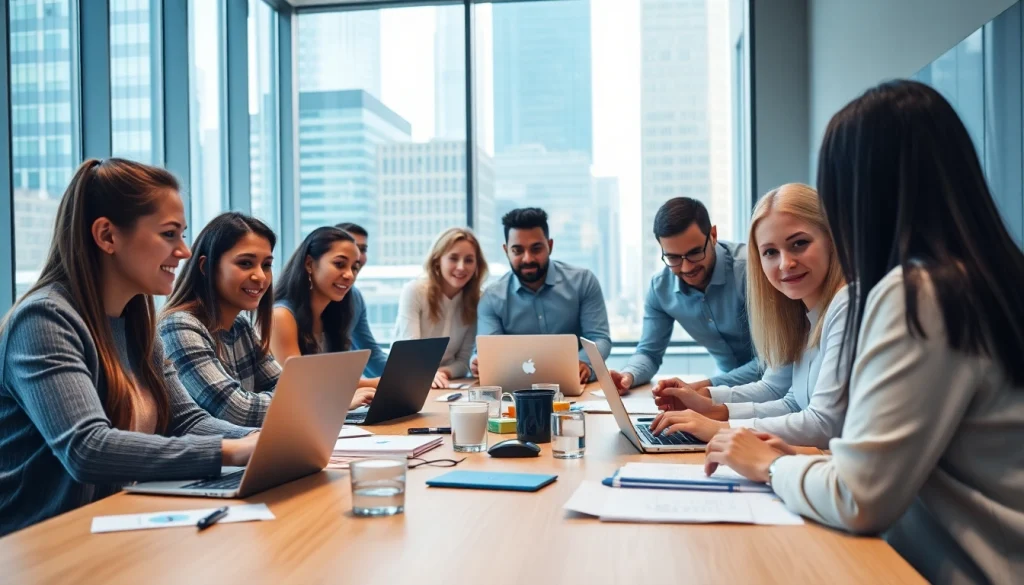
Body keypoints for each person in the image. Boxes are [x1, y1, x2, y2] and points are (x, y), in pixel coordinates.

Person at [704, 80, 1024, 585]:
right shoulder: (985, 276)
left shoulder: (920, 294)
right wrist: (804, 462)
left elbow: (860, 496)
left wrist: (769, 466)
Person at [0, 159, 257, 536]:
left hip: (108, 525)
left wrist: (262, 443)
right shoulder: (43, 320)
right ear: (107, 236)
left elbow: (186, 421)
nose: (184, 251)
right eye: (169, 234)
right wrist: (230, 451)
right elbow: (88, 449)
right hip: (40, 542)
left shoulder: (136, 320)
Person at [648, 184, 849, 449]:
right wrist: (712, 408)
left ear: (831, 240)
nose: (785, 263)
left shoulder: (845, 305)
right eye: (770, 252)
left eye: (799, 244)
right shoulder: (802, 312)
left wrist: (719, 428)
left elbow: (823, 424)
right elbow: (791, 402)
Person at [609, 197, 760, 396]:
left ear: (713, 235)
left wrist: (705, 386)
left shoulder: (752, 271)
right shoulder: (660, 288)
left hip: (775, 388)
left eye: (695, 253)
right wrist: (628, 375)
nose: (687, 268)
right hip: (720, 387)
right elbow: (649, 352)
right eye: (673, 257)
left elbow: (773, 361)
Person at [159, 212, 284, 427]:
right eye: (245, 263)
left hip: (244, 445)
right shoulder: (179, 326)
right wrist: (304, 402)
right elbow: (236, 411)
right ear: (205, 267)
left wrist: (301, 399)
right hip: (217, 449)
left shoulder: (240, 326)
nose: (261, 277)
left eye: (266, 265)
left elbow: (286, 386)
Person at [472, 208, 611, 384]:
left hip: (576, 385)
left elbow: (599, 339)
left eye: (536, 249)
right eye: (517, 251)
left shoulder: (583, 281)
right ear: (506, 251)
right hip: (516, 389)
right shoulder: (492, 297)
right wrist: (477, 362)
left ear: (550, 246)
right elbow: (488, 350)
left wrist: (583, 362)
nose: (527, 259)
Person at [271, 227, 378, 399]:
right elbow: (299, 383)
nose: (349, 275)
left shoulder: (333, 316)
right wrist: (376, 383)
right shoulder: (281, 316)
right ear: (309, 264)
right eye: (339, 264)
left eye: (354, 268)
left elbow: (335, 379)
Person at [394, 228, 488, 388]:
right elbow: (409, 353)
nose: (461, 267)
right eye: (453, 258)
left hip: (446, 383)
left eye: (469, 260)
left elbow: (464, 361)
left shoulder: (477, 299)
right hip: (408, 380)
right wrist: (427, 374)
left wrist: (442, 373)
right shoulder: (414, 291)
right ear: (437, 260)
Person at [334, 222, 387, 378]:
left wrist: (405, 376)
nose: (357, 255)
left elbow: (369, 352)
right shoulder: (287, 310)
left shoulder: (354, 297)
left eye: (362, 249)